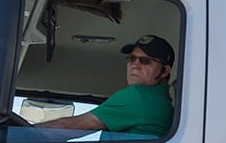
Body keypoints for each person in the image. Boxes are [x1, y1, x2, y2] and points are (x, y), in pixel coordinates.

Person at [38, 35, 175, 137]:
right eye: (132, 59)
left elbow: (70, 127)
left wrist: (24, 133)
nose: (135, 65)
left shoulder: (138, 96)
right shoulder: (162, 101)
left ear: (165, 71)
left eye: (145, 61)